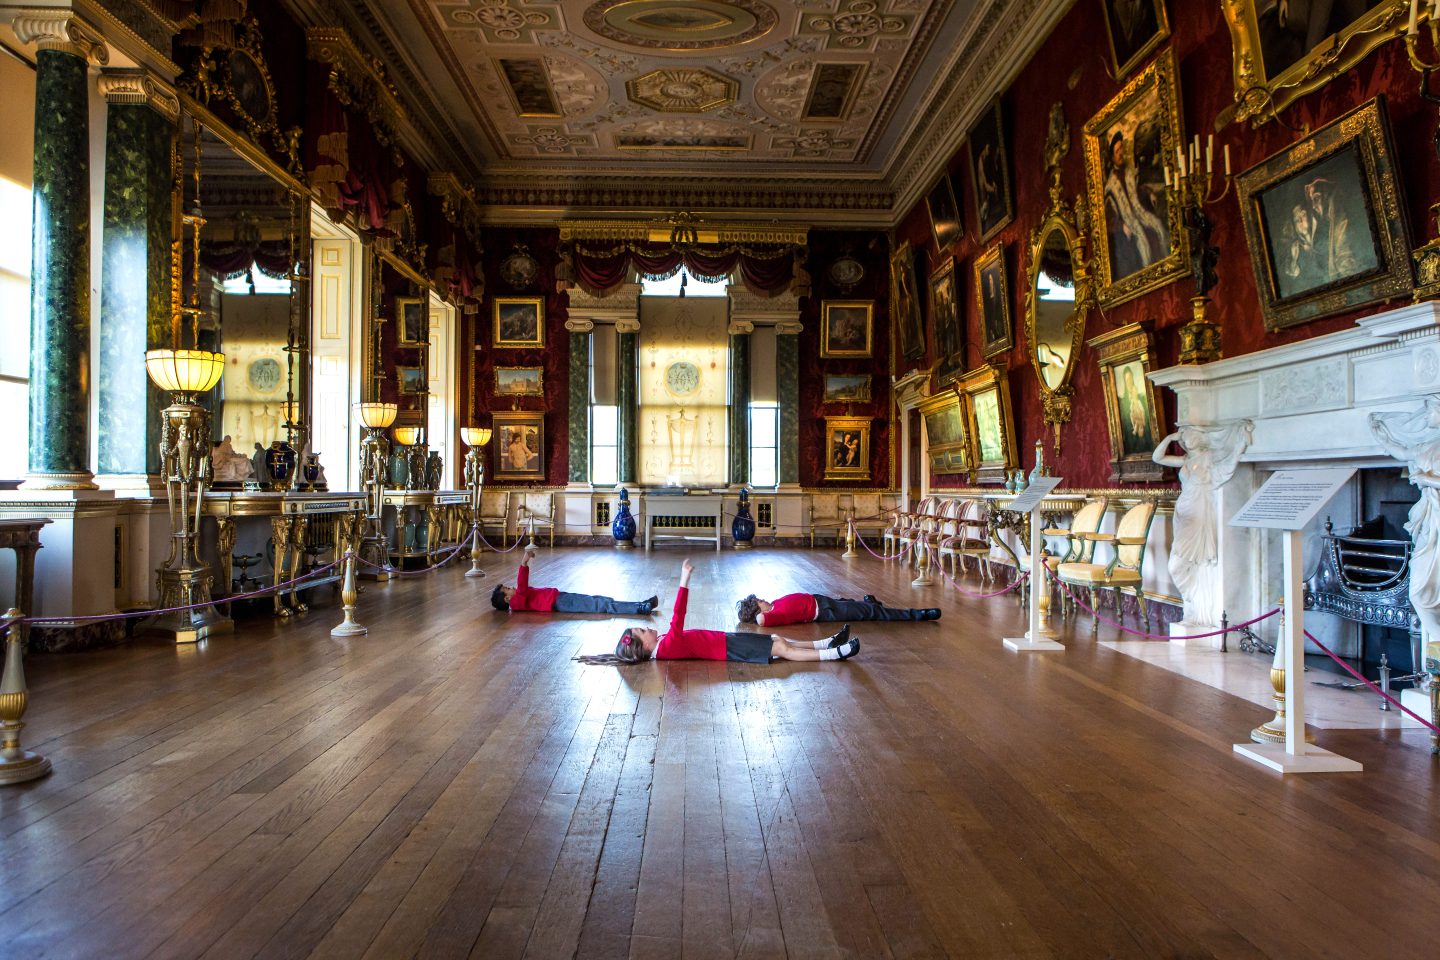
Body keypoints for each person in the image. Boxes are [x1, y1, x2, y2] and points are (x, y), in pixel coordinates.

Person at [615, 560, 861, 664]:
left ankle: (826, 642)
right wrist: (684, 579)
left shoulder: (661, 644)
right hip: (729, 649)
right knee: (781, 650)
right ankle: (835, 654)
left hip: (726, 641)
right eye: (642, 631)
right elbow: (678, 616)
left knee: (778, 640)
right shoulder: (666, 647)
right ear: (644, 647)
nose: (646, 628)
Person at [491, 546, 658, 615]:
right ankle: (640, 608)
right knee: (600, 605)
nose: (510, 586)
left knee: (599, 600)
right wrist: (524, 562)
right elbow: (522, 588)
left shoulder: (517, 601)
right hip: (560, 602)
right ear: (506, 598)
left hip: (559, 598)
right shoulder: (516, 603)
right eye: (507, 588)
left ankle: (638, 605)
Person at [1102, 129, 1167, 279]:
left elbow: (1136, 191)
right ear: (1112, 156)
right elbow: (1108, 217)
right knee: (1140, 242)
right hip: (1126, 224)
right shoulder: (1110, 186)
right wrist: (1121, 225)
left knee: (1156, 226)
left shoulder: (1129, 173)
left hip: (1138, 215)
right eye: (1117, 151)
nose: (1121, 153)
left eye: (1121, 149)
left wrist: (1149, 193)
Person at [736, 592, 940, 626]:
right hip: (826, 612)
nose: (762, 599)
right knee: (872, 613)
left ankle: (869, 603)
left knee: (853, 603)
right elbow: (762, 622)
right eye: (758, 601)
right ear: (757, 610)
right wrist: (756, 616)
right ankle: (918, 615)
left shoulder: (775, 603)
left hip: (823, 601)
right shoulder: (772, 616)